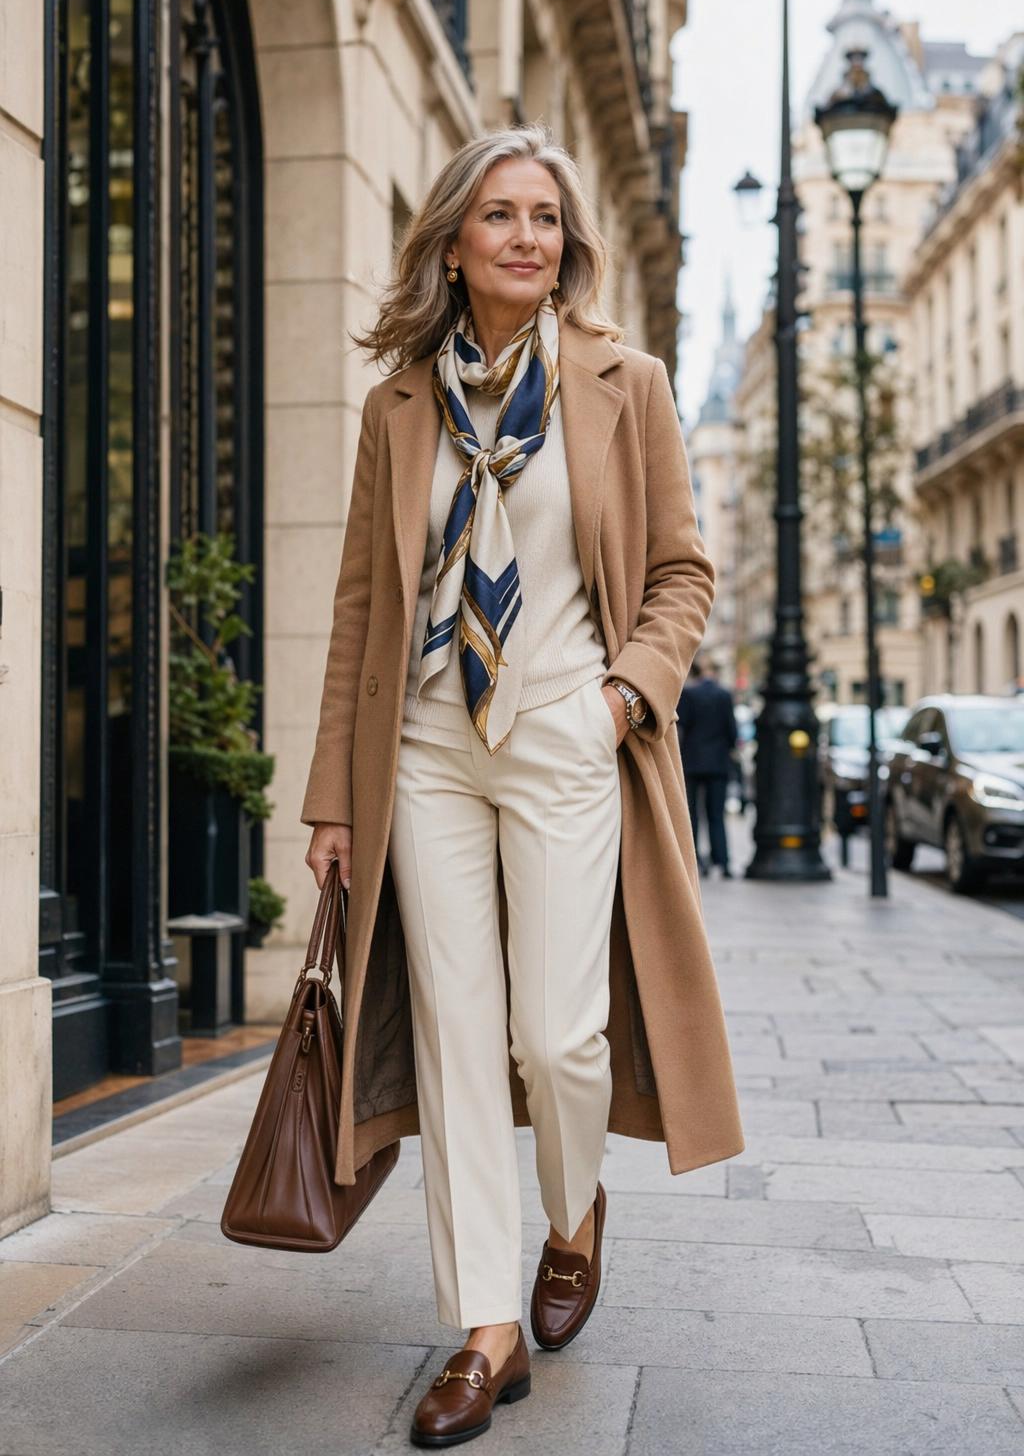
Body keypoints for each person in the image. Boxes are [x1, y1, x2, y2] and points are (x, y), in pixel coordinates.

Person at [301, 124, 743, 1448]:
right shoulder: (399, 407)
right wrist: (332, 795)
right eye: (501, 215)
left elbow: (682, 573)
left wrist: (621, 697)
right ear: (454, 240)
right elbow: (360, 609)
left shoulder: (627, 383)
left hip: (562, 731)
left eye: (546, 217)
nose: (528, 237)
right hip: (428, 746)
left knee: (559, 1039)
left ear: (569, 244)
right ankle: (482, 1327)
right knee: (452, 1038)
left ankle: (573, 1212)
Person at [677, 659, 738, 878]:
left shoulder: (689, 694)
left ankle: (695, 862)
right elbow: (732, 732)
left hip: (692, 762)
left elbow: (681, 727)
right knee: (716, 815)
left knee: (692, 815)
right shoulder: (724, 695)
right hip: (718, 764)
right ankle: (722, 862)